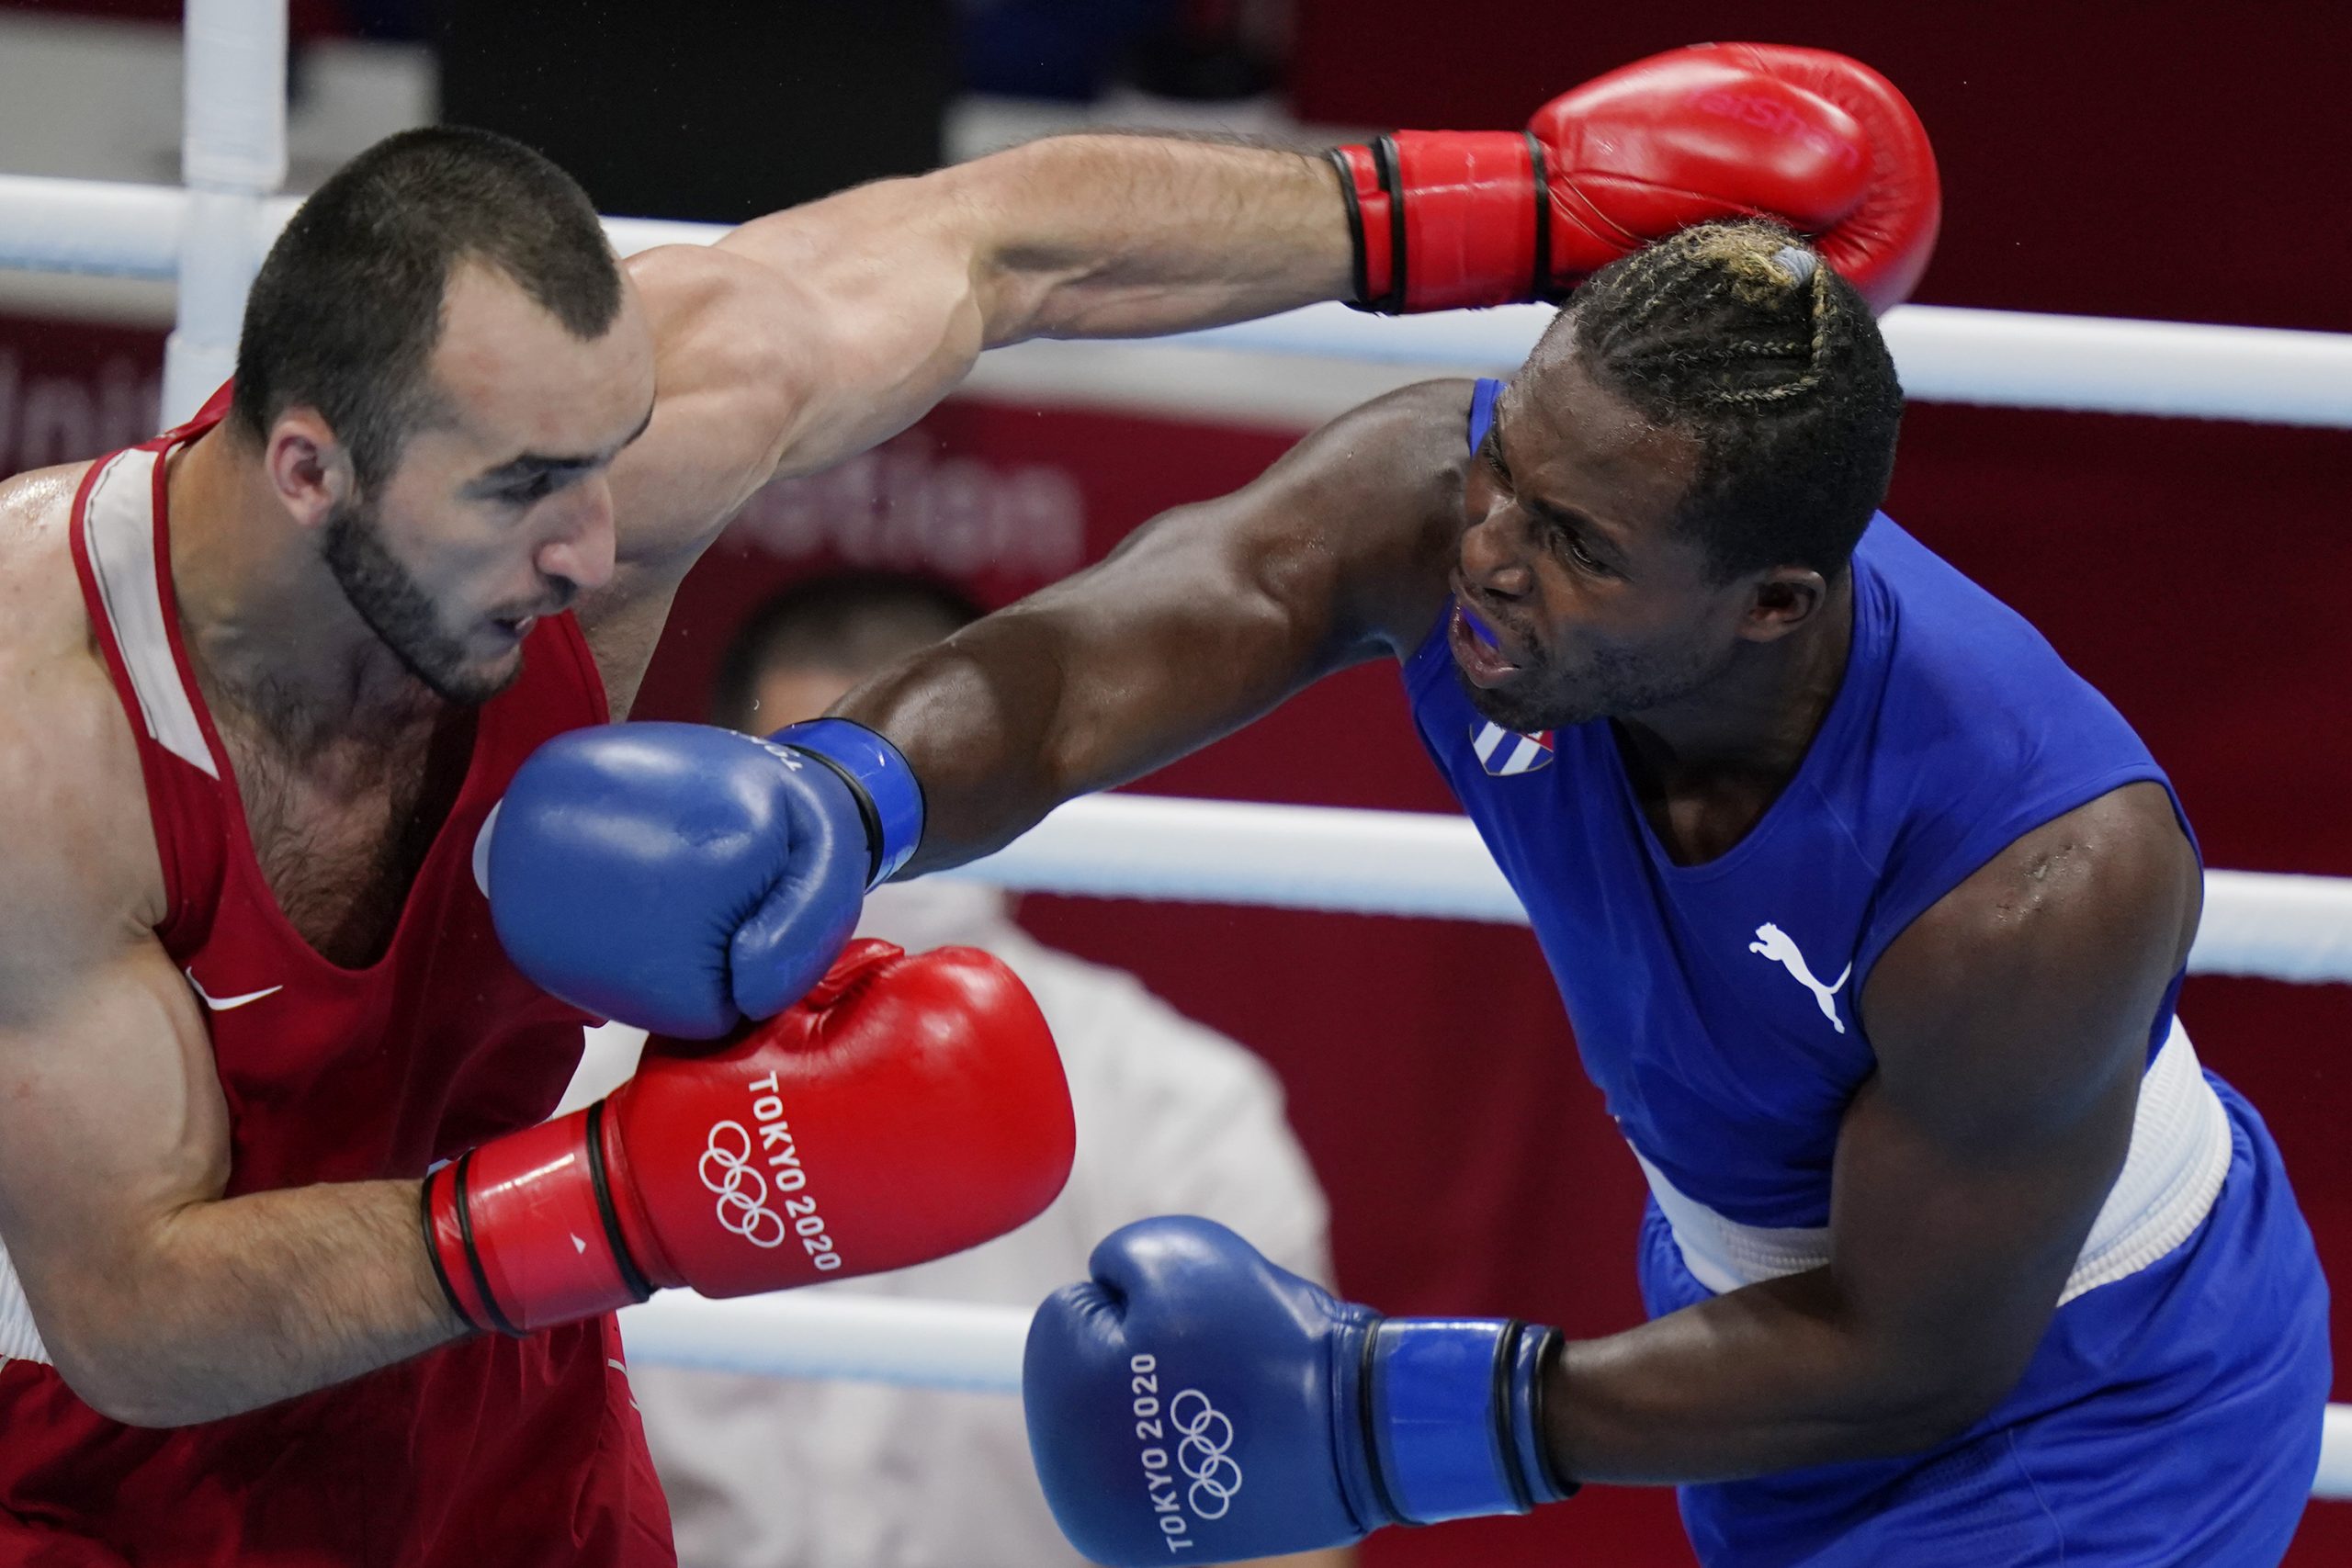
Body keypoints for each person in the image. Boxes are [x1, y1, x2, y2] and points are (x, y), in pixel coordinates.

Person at [0, 39, 1928, 1562]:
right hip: (103, 1470)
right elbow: (134, 1311)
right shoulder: (39, 734)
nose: (597, 545)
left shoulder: (611, 461)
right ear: (315, 468)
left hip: (495, 1428)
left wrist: (1508, 202)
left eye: (608, 466)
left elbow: (1003, 238)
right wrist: (620, 1199)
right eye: (523, 496)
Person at [506, 229, 2331, 1568]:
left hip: (2081, 1390)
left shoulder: (2034, 877)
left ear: (1772, 604)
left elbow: (1908, 1351)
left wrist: (1403, 1423)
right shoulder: (1448, 503)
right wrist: (853, 788)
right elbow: (1098, 655)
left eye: (1575, 546)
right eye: (1501, 475)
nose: (1487, 558)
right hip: (1760, 1275)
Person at [558, 570, 1349, 1568]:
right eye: (814, 812)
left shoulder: (1175, 1099)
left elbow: (1281, 1531)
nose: (865, 863)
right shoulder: (582, 1082)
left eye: (902, 806)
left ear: (1009, 786)